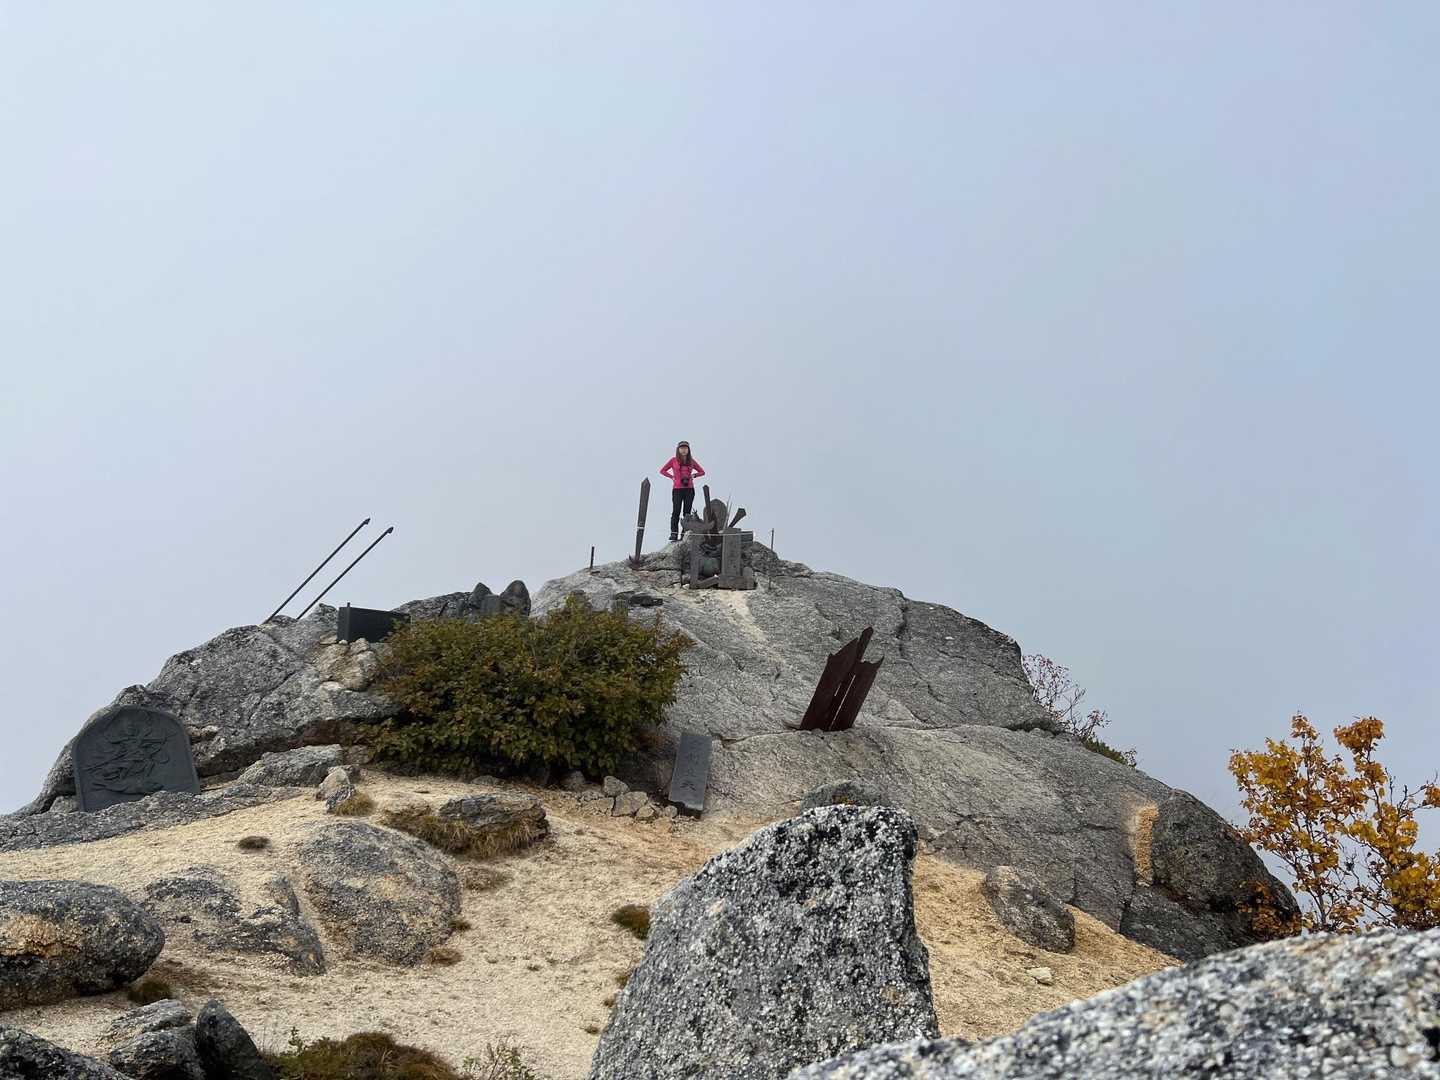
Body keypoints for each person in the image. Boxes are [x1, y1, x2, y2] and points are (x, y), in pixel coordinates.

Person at [660, 441, 705, 541]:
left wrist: (694, 475)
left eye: (685, 448)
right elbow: (662, 470)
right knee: (676, 511)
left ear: (688, 450)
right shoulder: (673, 460)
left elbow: (702, 472)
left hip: (689, 489)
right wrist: (672, 477)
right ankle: (674, 533)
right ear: (678, 449)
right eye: (681, 448)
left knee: (687, 513)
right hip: (677, 489)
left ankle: (684, 534)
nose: (683, 450)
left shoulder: (691, 461)